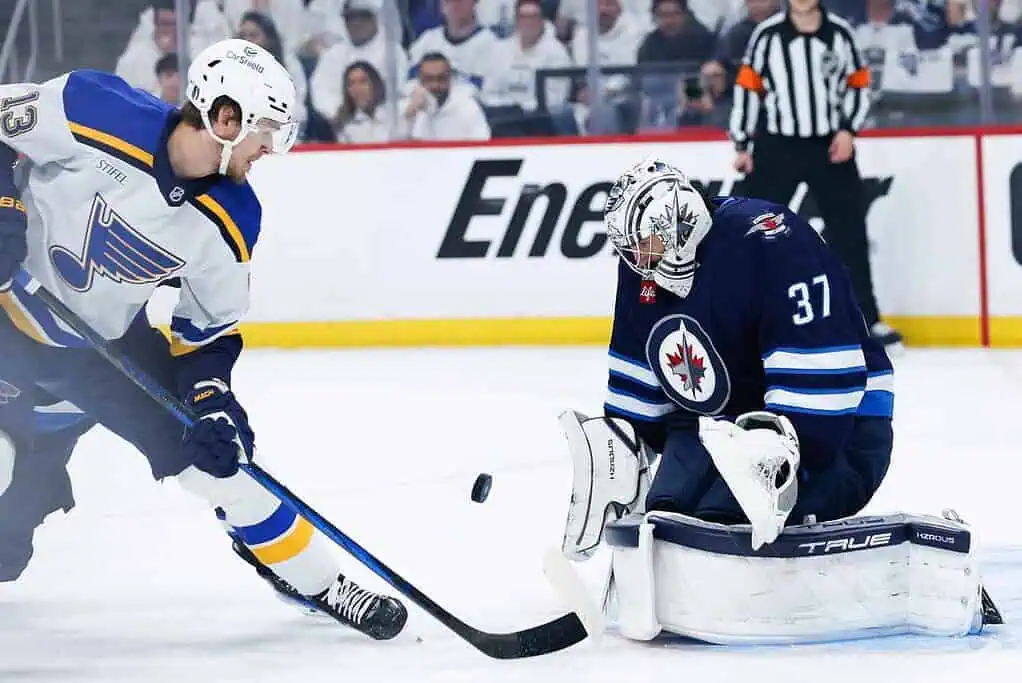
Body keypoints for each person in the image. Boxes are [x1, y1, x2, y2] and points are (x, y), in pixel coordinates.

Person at [0, 38, 407, 640]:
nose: (270, 146)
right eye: (264, 129)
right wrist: (7, 211)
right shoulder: (94, 106)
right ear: (225, 117)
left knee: (223, 459)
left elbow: (205, 331)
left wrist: (212, 398)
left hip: (97, 354)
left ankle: (319, 582)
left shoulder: (234, 217)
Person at [553, 157, 1000, 644]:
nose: (638, 258)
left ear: (679, 224)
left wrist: (779, 463)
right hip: (713, 425)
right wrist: (620, 458)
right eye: (631, 248)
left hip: (841, 428)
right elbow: (640, 390)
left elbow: (827, 388)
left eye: (646, 243)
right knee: (666, 512)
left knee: (727, 518)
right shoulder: (643, 270)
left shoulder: (775, 242)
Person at [729, 0, 903, 353]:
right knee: (755, 232)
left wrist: (848, 131)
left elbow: (859, 83)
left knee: (849, 233)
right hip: (778, 145)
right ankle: (744, 319)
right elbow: (748, 89)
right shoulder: (767, 36)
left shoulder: (840, 34)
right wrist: (743, 143)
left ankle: (865, 320)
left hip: (829, 145)